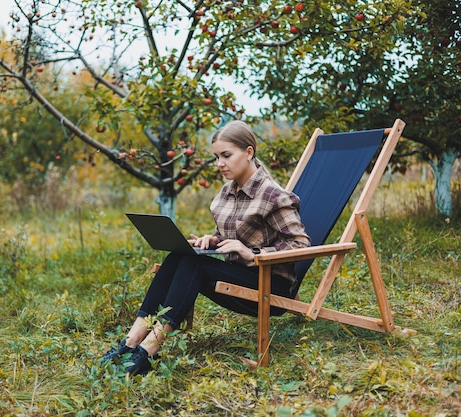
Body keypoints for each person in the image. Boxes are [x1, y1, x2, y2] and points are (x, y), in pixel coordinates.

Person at [101, 120, 311, 376]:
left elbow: (300, 244)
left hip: (270, 286)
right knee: (180, 255)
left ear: (249, 152)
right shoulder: (227, 192)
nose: (220, 163)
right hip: (241, 277)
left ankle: (148, 350)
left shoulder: (273, 196)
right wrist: (212, 241)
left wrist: (254, 254)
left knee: (194, 265)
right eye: (216, 157)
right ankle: (131, 342)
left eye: (226, 155)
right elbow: (232, 235)